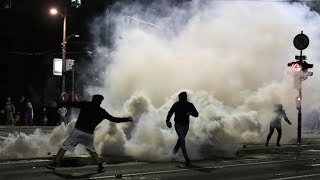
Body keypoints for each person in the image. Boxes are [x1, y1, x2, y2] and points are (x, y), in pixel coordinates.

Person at [46, 94, 133, 173]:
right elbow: (114, 119)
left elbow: (72, 104)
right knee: (92, 151)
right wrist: (127, 119)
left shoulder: (86, 104)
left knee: (64, 147)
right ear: (100, 102)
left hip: (77, 131)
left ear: (93, 99)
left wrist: (60, 103)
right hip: (88, 134)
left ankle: (55, 164)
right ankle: (100, 167)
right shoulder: (101, 111)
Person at [166, 91, 199, 166]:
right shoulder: (176, 104)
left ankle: (172, 155)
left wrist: (190, 113)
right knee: (182, 141)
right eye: (180, 98)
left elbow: (196, 114)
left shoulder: (189, 105)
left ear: (185, 98)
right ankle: (186, 158)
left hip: (186, 125)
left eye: (182, 98)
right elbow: (170, 112)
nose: (180, 99)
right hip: (178, 125)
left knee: (180, 141)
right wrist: (167, 121)